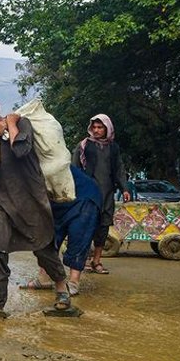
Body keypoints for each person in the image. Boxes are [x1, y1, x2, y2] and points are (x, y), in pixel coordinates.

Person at [0, 86, 70, 320]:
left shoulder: (23, 125)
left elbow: (21, 150)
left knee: (43, 247)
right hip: (2, 202)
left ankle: (62, 290)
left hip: (31, 198)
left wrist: (10, 124)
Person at [20, 165, 101, 297]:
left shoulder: (39, 163)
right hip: (58, 200)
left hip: (83, 196)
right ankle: (44, 278)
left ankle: (74, 282)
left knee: (78, 237)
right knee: (48, 238)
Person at [72, 114, 130, 274]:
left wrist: (125, 188)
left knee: (103, 228)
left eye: (100, 127)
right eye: (94, 127)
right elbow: (74, 169)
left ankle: (97, 261)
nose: (96, 130)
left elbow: (119, 169)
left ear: (107, 128)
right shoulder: (83, 146)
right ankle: (81, 261)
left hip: (107, 194)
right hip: (87, 195)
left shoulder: (113, 148)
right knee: (85, 227)